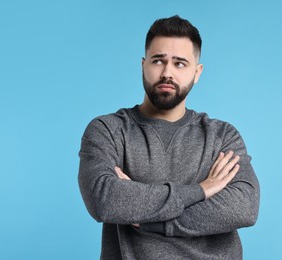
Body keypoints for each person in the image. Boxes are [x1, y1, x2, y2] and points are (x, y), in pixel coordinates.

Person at [78, 15, 259, 260]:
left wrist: (151, 221)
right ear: (143, 65)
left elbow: (243, 208)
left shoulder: (222, 136)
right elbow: (104, 200)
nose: (166, 73)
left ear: (197, 72)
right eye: (158, 61)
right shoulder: (108, 130)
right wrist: (201, 190)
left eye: (180, 63)